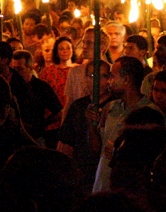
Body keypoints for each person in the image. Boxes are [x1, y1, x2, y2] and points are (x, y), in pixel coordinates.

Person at [57, 59, 113, 193]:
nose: (96, 81)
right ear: (85, 78)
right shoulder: (78, 106)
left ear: (110, 79)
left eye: (102, 76)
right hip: (82, 172)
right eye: (92, 76)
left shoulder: (115, 106)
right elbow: (66, 143)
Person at [93, 56, 148, 192]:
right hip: (103, 184)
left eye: (112, 76)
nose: (108, 82)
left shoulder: (149, 113)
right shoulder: (110, 108)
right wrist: (90, 124)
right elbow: (98, 149)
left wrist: (119, 152)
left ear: (126, 80)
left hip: (128, 190)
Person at [11, 49, 63, 146]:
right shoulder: (10, 86)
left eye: (20, 69)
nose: (16, 73)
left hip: (35, 137)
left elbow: (58, 112)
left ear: (30, 68)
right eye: (13, 69)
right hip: (14, 137)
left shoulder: (41, 87)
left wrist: (40, 125)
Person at [41, 35, 79, 110]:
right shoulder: (48, 71)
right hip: (54, 112)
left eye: (68, 48)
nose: (65, 51)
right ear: (56, 52)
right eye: (61, 49)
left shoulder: (79, 70)